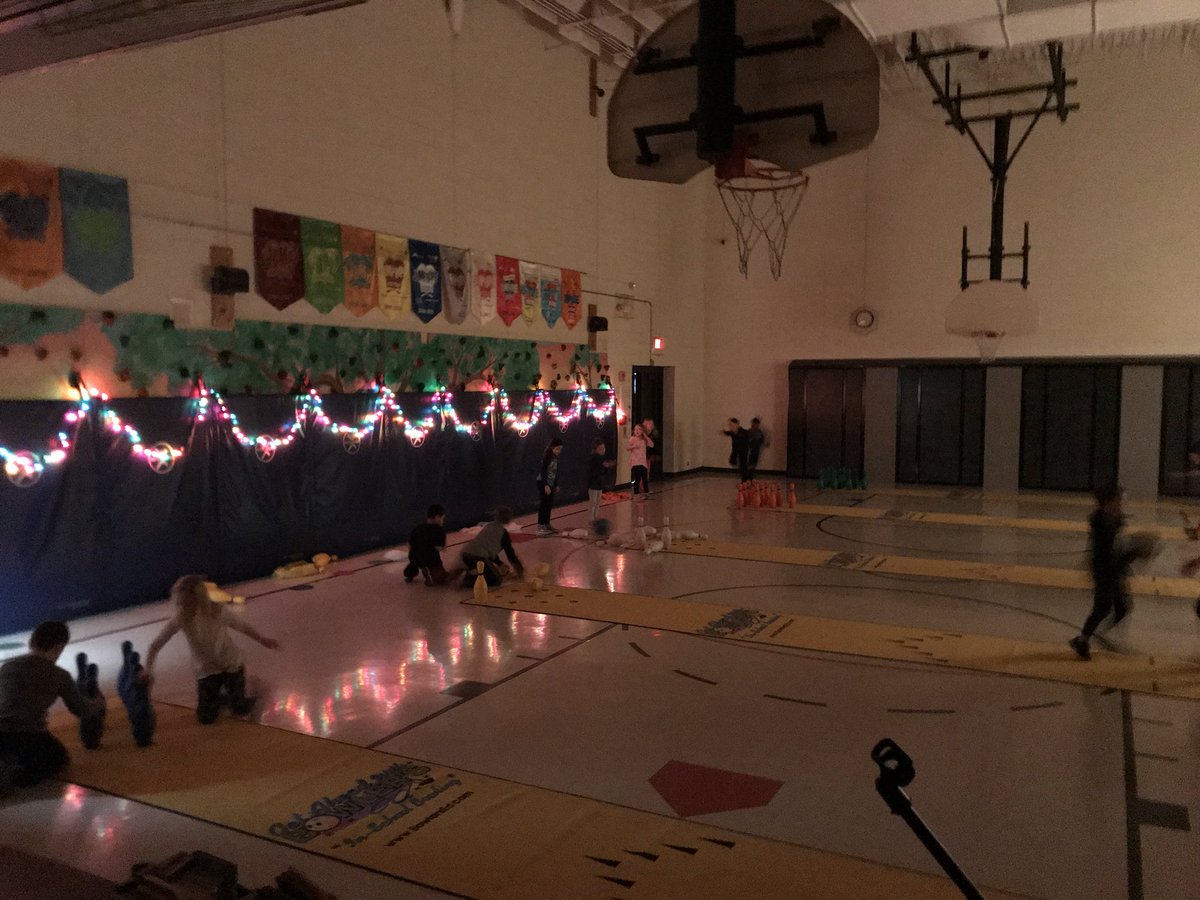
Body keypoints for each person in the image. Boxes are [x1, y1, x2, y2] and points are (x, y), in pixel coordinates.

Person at [142, 575, 280, 723]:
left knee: (240, 709)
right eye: (179, 603)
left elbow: (242, 627)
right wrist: (148, 670)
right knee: (206, 717)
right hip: (207, 671)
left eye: (183, 601)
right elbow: (156, 645)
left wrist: (261, 639)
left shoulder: (216, 611)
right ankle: (222, 697)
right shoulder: (181, 619)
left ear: (196, 598)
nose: (181, 606)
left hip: (230, 665)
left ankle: (253, 698)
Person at [0, 621, 105, 791]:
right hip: (28, 735)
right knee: (58, 758)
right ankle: (14, 777)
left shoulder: (8, 667)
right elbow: (81, 710)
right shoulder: (59, 676)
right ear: (59, 647)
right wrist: (98, 703)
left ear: (32, 642)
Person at [1069, 486, 1139, 660]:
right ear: (1109, 502)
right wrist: (1134, 554)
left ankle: (1096, 635)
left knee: (1123, 607)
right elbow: (1111, 554)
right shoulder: (1103, 524)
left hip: (1114, 571)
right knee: (1102, 608)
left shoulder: (1111, 519)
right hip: (1105, 572)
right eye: (1119, 501)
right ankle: (1082, 640)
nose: (1121, 504)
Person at [462, 506, 525, 588]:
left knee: (486, 569)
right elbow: (510, 554)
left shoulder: (489, 526)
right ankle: (469, 580)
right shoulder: (503, 533)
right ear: (509, 520)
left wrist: (500, 563)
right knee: (497, 580)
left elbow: (488, 548)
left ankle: (472, 572)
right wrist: (520, 569)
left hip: (466, 555)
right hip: (478, 558)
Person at [405, 504, 449, 585]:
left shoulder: (418, 528)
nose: (443, 521)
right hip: (429, 560)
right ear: (437, 517)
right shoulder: (438, 530)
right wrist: (444, 547)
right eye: (442, 518)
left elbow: (409, 544)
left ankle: (409, 573)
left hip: (413, 557)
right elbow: (439, 548)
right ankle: (429, 576)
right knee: (443, 579)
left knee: (416, 560)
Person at [536, 438, 564, 536]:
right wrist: (545, 485)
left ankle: (547, 524)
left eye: (560, 449)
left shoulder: (555, 457)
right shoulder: (547, 456)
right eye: (557, 449)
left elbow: (554, 472)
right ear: (552, 448)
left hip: (550, 484)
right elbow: (543, 471)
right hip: (543, 483)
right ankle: (540, 526)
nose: (559, 451)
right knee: (544, 504)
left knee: (549, 504)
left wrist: (556, 484)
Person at [588, 439, 616, 521]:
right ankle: (591, 520)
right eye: (600, 448)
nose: (603, 450)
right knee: (593, 503)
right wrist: (611, 463)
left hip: (598, 482)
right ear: (595, 449)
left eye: (604, 448)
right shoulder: (595, 457)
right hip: (593, 483)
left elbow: (604, 468)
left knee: (597, 503)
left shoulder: (601, 457)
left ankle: (595, 519)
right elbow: (605, 465)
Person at [628, 423, 653, 500]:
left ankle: (646, 493)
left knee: (645, 479)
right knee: (637, 479)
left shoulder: (643, 440)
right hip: (635, 462)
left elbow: (651, 445)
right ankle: (636, 494)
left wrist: (645, 436)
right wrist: (634, 446)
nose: (637, 431)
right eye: (635, 429)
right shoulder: (632, 439)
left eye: (639, 429)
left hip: (643, 462)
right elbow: (628, 447)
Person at [722, 417, 751, 483]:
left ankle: (745, 479)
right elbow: (729, 433)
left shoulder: (743, 432)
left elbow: (748, 435)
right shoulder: (733, 432)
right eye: (729, 425)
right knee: (733, 461)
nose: (730, 426)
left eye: (731, 425)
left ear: (737, 425)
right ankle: (745, 475)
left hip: (743, 451)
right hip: (736, 450)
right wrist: (724, 432)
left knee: (743, 465)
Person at [641, 418, 661, 489]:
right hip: (640, 456)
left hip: (647, 455)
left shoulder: (653, 435)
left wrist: (655, 455)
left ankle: (644, 486)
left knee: (646, 471)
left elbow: (654, 446)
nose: (648, 427)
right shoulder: (640, 435)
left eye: (649, 425)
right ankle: (642, 486)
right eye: (646, 425)